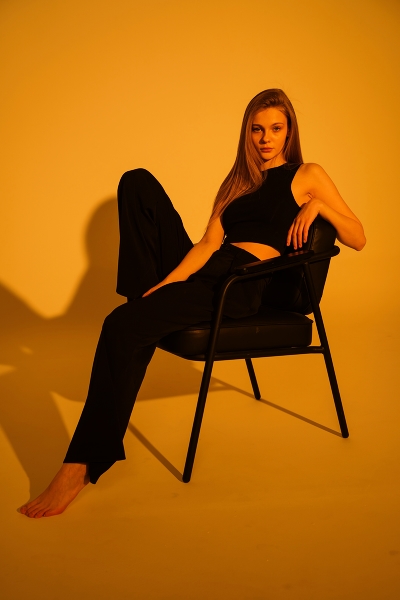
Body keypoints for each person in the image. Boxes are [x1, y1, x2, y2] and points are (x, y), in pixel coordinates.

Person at [20, 89, 366, 518]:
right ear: (247, 133)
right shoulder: (237, 183)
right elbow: (206, 245)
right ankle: (142, 307)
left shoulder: (306, 174)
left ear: (289, 131)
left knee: (119, 325)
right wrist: (164, 285)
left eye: (276, 129)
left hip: (239, 283)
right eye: (257, 130)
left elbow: (358, 237)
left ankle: (81, 465)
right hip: (212, 269)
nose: (265, 139)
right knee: (137, 182)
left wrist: (319, 207)